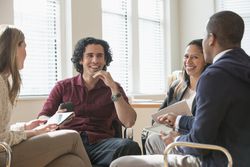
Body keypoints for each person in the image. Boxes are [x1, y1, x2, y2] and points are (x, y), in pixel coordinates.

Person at [110, 10, 250, 167]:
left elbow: (199, 144)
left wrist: (175, 140)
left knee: (121, 164)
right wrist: (179, 120)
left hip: (220, 160)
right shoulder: (243, 68)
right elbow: (219, 123)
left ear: (211, 39)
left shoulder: (214, 76)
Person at [38, 37, 141, 167]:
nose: (95, 60)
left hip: (101, 145)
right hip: (68, 143)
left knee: (129, 146)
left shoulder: (114, 88)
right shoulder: (63, 86)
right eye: (90, 56)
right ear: (81, 60)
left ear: (105, 60)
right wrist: (55, 119)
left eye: (99, 56)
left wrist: (113, 88)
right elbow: (42, 117)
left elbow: (129, 121)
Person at [0, 25, 92, 167]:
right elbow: (2, 139)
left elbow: (2, 132)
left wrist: (25, 126)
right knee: (72, 137)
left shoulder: (4, 80)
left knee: (72, 162)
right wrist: (33, 132)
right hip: (3, 155)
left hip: (5, 151)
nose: (26, 53)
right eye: (24, 46)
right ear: (14, 48)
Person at [144, 39, 208, 155]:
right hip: (171, 133)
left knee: (153, 140)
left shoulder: (209, 89)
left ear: (205, 60)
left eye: (195, 57)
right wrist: (165, 120)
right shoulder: (176, 86)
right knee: (152, 137)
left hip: (190, 140)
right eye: (186, 56)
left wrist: (178, 120)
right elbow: (157, 118)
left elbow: (205, 125)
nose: (188, 61)